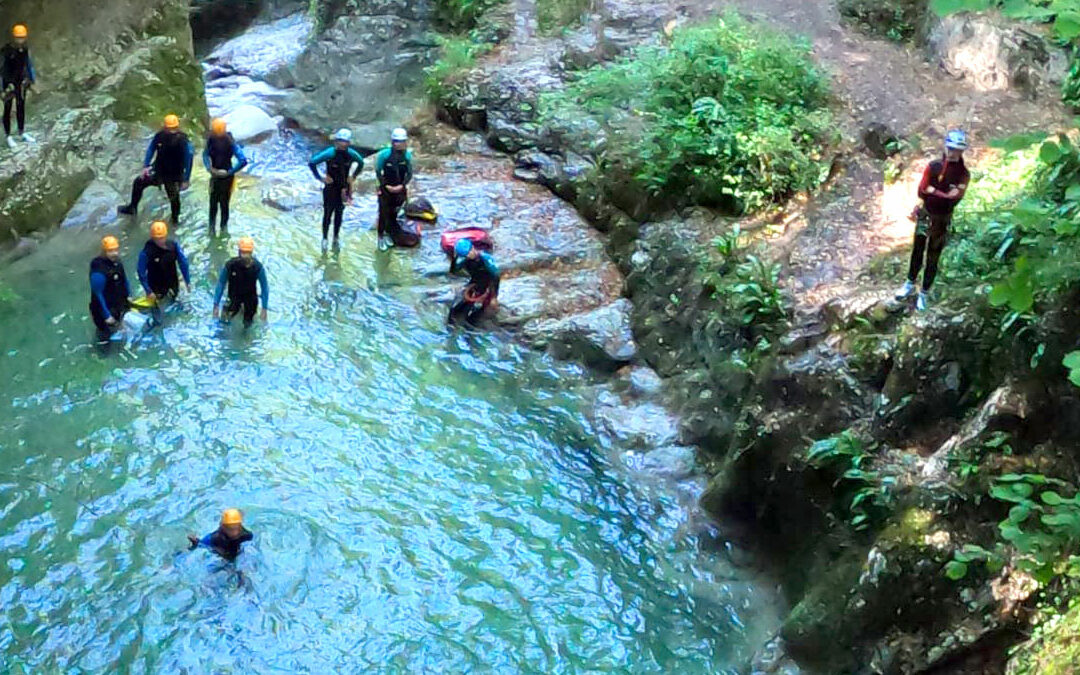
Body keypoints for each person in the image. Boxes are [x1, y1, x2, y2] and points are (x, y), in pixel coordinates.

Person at [897, 129, 970, 311]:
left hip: (942, 218)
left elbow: (956, 196)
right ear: (946, 147)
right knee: (918, 249)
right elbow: (922, 189)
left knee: (933, 256)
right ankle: (909, 283)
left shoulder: (963, 173)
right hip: (926, 213)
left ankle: (924, 293)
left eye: (957, 150)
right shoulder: (934, 166)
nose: (954, 153)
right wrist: (943, 194)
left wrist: (935, 192)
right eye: (951, 148)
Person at [118, 114, 194, 224]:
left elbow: (189, 158)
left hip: (174, 174)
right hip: (159, 169)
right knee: (139, 182)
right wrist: (146, 166)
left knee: (173, 197)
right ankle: (132, 207)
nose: (171, 131)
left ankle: (175, 219)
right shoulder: (160, 136)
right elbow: (151, 149)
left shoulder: (183, 140)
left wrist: (186, 179)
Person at [308, 128, 363, 249]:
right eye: (340, 141)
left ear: (348, 143)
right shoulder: (330, 153)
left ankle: (336, 237)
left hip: (343, 187)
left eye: (345, 142)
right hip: (330, 187)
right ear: (336, 142)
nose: (342, 144)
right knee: (327, 213)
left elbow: (361, 162)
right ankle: (324, 238)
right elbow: (312, 162)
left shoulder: (351, 154)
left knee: (339, 213)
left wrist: (353, 176)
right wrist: (320, 178)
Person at [203, 117, 248, 235]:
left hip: (217, 176)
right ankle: (223, 228)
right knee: (224, 204)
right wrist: (230, 172)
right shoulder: (229, 141)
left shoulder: (212, 140)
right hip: (226, 176)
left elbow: (205, 155)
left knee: (214, 203)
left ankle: (212, 228)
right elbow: (243, 160)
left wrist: (210, 169)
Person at [212, 237, 269, 327]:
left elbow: (264, 287)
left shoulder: (258, 267)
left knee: (248, 326)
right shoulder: (230, 265)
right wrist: (216, 304)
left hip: (250, 300)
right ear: (239, 252)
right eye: (243, 252)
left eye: (247, 252)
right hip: (233, 297)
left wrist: (264, 308)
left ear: (251, 253)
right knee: (223, 323)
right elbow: (221, 283)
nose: (245, 255)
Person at [375, 127, 413, 251]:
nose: (399, 144)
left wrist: (402, 186)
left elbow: (409, 173)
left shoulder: (407, 156)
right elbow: (378, 171)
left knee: (393, 213)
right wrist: (385, 186)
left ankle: (389, 232)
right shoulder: (384, 155)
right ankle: (380, 236)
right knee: (383, 213)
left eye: (402, 142)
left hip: (399, 189)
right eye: (397, 141)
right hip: (386, 189)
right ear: (392, 142)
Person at [137, 220, 191, 305]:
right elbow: (141, 272)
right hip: (156, 287)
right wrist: (148, 291)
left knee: (176, 302)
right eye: (157, 239)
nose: (160, 241)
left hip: (172, 282)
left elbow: (183, 263)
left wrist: (187, 281)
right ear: (152, 237)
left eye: (162, 238)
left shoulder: (173, 245)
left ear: (165, 236)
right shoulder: (146, 252)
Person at [448, 238, 500, 326]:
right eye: (465, 255)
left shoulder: (485, 259)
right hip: (474, 284)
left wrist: (494, 297)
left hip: (488, 285)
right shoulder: (465, 261)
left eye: (468, 253)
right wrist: (453, 259)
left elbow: (495, 276)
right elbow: (454, 271)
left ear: (472, 248)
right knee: (455, 311)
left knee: (476, 318)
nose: (467, 256)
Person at [89, 235, 131, 342]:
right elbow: (98, 294)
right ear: (104, 251)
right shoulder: (98, 270)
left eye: (116, 250)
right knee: (105, 337)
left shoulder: (117, 263)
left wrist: (129, 295)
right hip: (104, 310)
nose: (114, 253)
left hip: (118, 304)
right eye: (110, 251)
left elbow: (124, 279)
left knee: (121, 329)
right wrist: (107, 315)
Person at [2, 23, 35, 149]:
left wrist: (31, 79)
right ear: (13, 37)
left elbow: (28, 64)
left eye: (22, 37)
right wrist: (4, 87)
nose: (20, 40)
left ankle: (22, 132)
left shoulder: (24, 50)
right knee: (8, 108)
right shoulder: (7, 51)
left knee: (21, 106)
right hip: (8, 82)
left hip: (20, 81)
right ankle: (8, 136)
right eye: (18, 37)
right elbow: (2, 68)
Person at [187, 508, 253, 562]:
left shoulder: (247, 535)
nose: (234, 532)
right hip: (222, 554)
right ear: (223, 527)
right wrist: (195, 543)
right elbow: (201, 544)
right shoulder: (215, 538)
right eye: (230, 529)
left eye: (236, 527)